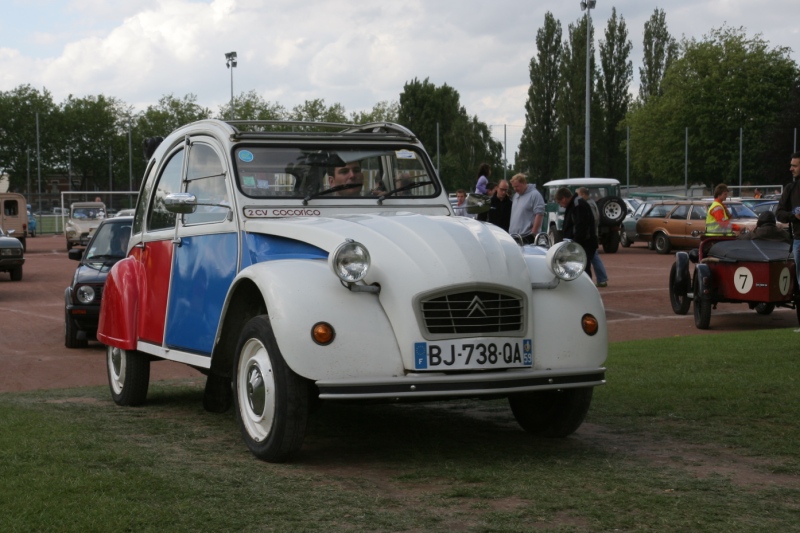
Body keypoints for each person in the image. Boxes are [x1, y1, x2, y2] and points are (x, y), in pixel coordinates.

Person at [554, 186, 597, 279]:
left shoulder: (577, 205)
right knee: (580, 269)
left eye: (559, 202)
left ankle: (586, 289)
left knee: (583, 270)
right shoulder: (575, 204)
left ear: (564, 198)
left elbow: (581, 226)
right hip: (582, 243)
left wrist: (575, 244)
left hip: (584, 243)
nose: (560, 205)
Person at [577, 187, 609, 287]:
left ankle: (602, 279)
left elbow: (593, 219)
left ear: (583, 194)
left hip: (591, 235)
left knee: (594, 257)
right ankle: (602, 278)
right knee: (594, 257)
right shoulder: (591, 203)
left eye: (578, 194)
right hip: (592, 234)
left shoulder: (589, 204)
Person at [776, 151, 800, 283]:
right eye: (791, 165)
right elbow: (779, 213)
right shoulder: (791, 188)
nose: (791, 169)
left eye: (794, 166)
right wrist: (794, 216)